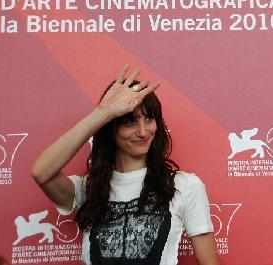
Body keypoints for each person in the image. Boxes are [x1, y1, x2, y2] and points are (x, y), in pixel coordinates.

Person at [31, 65, 219, 265]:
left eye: (149, 119)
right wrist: (102, 113)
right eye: (130, 122)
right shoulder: (88, 189)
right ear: (111, 128)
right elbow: (41, 172)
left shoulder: (184, 185)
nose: (143, 131)